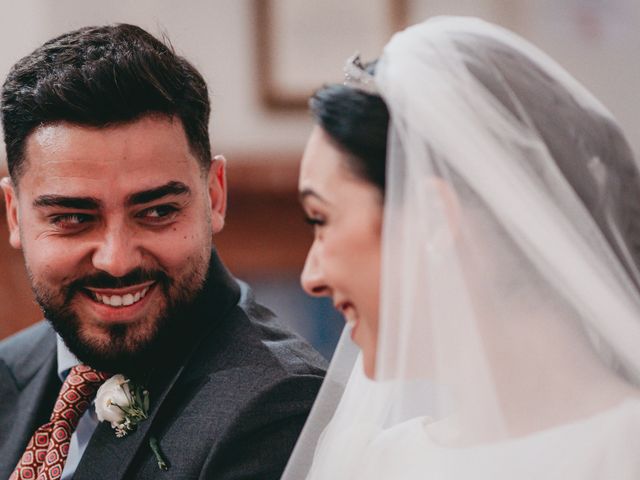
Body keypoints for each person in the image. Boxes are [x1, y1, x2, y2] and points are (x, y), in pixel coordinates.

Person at [283, 16, 640, 480]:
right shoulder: (374, 462)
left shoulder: (624, 450)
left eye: (321, 220)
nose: (310, 276)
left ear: (434, 217)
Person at [0, 24, 326, 480]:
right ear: (15, 215)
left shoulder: (279, 407)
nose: (117, 259)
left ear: (214, 196)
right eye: (73, 218)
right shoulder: (8, 368)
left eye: (155, 212)